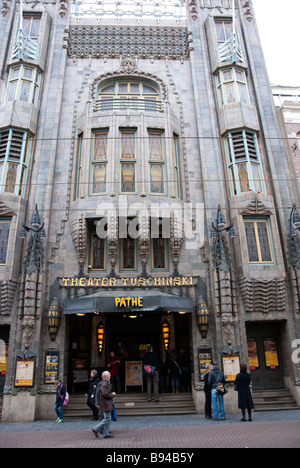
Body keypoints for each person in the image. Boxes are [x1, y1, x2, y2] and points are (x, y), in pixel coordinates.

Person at [92, 371, 116, 439]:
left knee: (107, 418)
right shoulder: (104, 384)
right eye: (109, 375)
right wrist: (112, 395)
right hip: (105, 403)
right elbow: (104, 394)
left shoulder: (107, 383)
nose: (110, 375)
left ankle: (106, 433)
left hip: (106, 403)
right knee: (107, 418)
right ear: (106, 376)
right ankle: (96, 428)